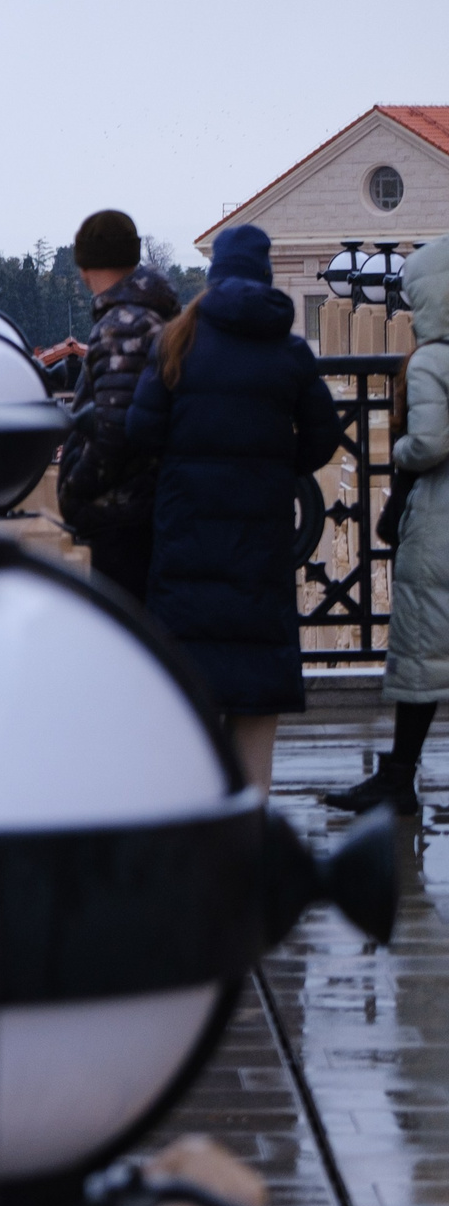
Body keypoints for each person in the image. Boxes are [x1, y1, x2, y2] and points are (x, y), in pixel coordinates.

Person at [129, 223, 342, 790]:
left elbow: (140, 431)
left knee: (190, 686)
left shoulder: (178, 339)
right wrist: (278, 463)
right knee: (254, 691)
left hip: (186, 534)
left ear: (214, 275)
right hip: (259, 541)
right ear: (265, 275)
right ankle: (249, 829)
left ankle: (195, 818)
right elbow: (324, 439)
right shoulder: (289, 351)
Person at [329, 235, 449, 812]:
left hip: (438, 524)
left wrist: (399, 450)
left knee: (424, 655)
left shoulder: (430, 360)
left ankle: (399, 776)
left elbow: (426, 443)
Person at [57, 209, 181, 601]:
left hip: (118, 513)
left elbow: (115, 429)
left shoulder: (121, 324)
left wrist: (76, 486)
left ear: (85, 265)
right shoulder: (150, 313)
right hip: (142, 507)